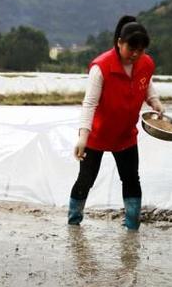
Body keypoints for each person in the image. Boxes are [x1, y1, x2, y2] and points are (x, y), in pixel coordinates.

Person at [68, 15, 164, 230]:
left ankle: (132, 226)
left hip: (125, 134)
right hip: (98, 135)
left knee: (131, 179)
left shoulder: (145, 63)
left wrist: (155, 101)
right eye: (132, 49)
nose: (136, 55)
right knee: (86, 180)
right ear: (119, 43)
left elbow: (145, 83)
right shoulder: (101, 67)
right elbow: (89, 104)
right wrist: (82, 138)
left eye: (141, 50)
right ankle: (74, 223)